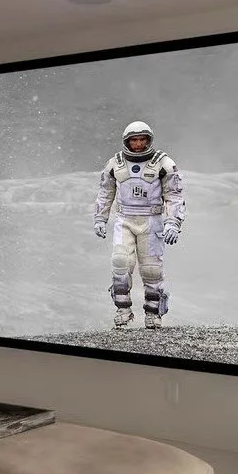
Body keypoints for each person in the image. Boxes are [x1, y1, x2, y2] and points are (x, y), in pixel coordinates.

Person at [92, 120, 185, 328]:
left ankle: (153, 314)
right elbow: (106, 193)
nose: (138, 144)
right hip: (124, 220)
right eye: (134, 140)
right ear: (127, 141)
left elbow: (174, 195)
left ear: (149, 140)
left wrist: (173, 223)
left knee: (152, 269)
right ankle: (123, 310)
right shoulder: (115, 164)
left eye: (142, 139)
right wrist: (100, 218)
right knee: (120, 262)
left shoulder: (164, 164)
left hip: (152, 222)